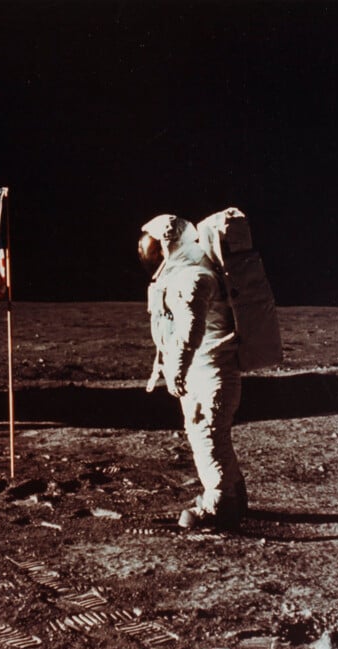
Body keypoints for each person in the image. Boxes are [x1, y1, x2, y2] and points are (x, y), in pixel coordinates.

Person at [139, 213, 247, 530]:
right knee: (213, 435)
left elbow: (190, 329)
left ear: (169, 245)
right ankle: (234, 495)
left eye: (154, 249)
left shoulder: (193, 278)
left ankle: (219, 506)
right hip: (208, 369)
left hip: (210, 372)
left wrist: (177, 369)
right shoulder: (191, 273)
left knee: (207, 436)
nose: (150, 256)